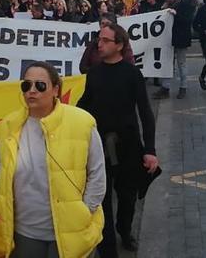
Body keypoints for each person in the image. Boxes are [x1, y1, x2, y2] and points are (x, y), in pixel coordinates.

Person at [0, 62, 106, 258]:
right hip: (25, 233)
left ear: (55, 89)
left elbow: (97, 174)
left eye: (40, 86)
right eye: (26, 85)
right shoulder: (9, 125)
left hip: (73, 232)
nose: (31, 91)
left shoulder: (82, 122)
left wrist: (85, 212)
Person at [77, 24, 159, 256]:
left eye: (104, 40)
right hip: (100, 146)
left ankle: (125, 229)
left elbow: (145, 112)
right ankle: (108, 249)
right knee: (102, 199)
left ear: (120, 45)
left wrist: (150, 149)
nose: (98, 44)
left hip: (129, 145)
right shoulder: (94, 73)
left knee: (127, 197)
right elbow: (83, 105)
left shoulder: (132, 73)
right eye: (98, 40)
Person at [155, 0, 195, 99]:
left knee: (181, 63)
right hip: (170, 37)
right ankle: (165, 87)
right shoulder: (171, 5)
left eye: (168, 0)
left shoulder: (185, 4)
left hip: (181, 37)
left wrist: (176, 14)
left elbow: (187, 20)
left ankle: (183, 86)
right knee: (168, 63)